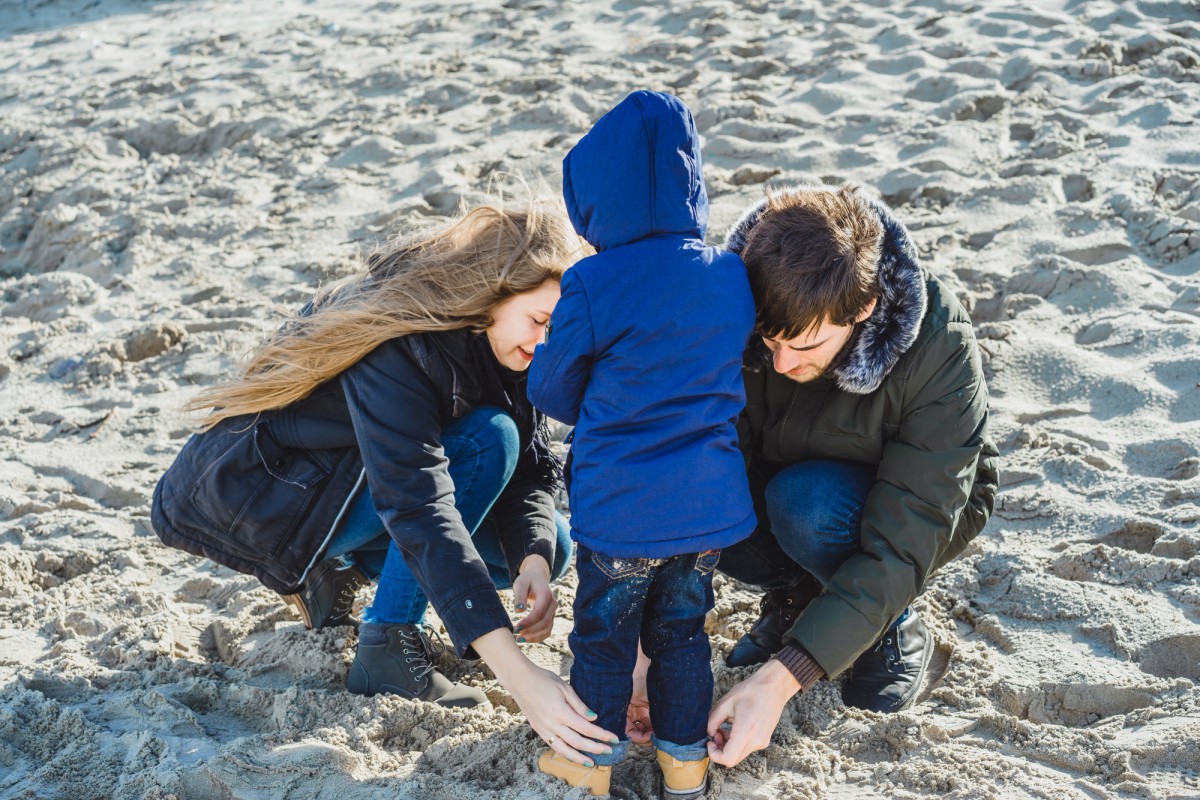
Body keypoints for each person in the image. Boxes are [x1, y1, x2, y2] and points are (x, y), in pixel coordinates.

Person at [150, 202, 617, 760]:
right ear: (493, 292)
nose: (547, 343)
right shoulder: (403, 340)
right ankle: (387, 649)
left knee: (554, 545)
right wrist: (519, 677)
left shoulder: (508, 345)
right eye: (540, 321)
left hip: (352, 485)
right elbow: (419, 506)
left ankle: (338, 570)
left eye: (559, 329)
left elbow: (535, 467)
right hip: (268, 501)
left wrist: (533, 558)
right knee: (487, 440)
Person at [685, 184, 1000, 766]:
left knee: (807, 505)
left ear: (864, 309)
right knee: (703, 489)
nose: (779, 364)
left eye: (803, 345)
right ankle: (799, 596)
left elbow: (906, 537)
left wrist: (781, 679)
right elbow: (698, 453)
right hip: (782, 483)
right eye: (769, 342)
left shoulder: (940, 346)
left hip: (902, 513)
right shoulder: (741, 301)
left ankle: (890, 624)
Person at [528, 91, 756, 799]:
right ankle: (684, 763)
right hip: (706, 509)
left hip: (622, 510)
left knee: (603, 638)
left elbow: (552, 389)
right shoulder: (729, 274)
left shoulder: (593, 280)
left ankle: (587, 766)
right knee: (682, 634)